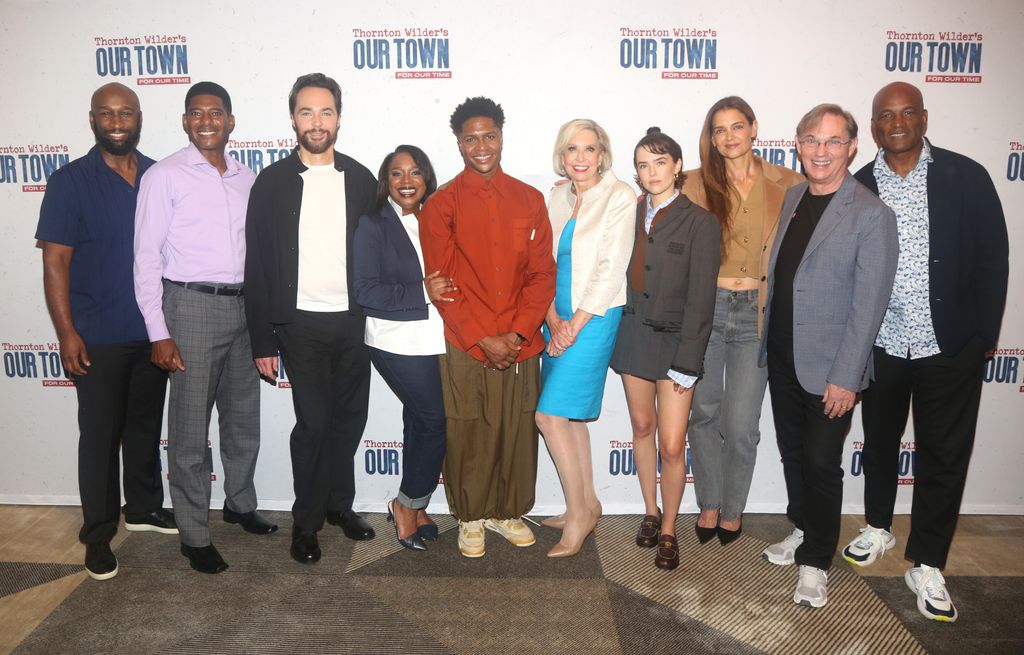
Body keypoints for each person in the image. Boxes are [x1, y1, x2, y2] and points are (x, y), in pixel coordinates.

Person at [840, 82, 1009, 622]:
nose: (896, 122)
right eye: (885, 115)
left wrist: (982, 335)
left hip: (949, 345)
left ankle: (929, 560)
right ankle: (878, 528)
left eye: (907, 112)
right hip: (883, 343)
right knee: (881, 443)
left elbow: (993, 259)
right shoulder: (858, 185)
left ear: (924, 118)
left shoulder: (967, 176)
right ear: (872, 127)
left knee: (944, 453)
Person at [36, 82, 177, 581]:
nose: (117, 122)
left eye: (126, 113)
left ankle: (141, 509)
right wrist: (66, 332)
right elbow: (56, 262)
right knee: (99, 438)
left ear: (139, 118)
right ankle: (97, 534)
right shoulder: (70, 180)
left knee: (143, 428)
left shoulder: (162, 175)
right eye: (106, 113)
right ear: (92, 119)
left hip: (153, 330)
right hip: (95, 332)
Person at [759, 104, 898, 608]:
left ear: (853, 147)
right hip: (783, 356)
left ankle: (817, 559)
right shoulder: (794, 196)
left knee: (821, 462)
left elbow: (870, 305)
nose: (821, 151)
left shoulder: (871, 214)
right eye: (812, 140)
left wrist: (847, 376)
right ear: (797, 144)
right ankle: (804, 527)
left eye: (834, 141)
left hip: (831, 368)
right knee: (794, 454)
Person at [134, 81, 276, 575]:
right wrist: (159, 331)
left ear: (231, 122)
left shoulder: (247, 178)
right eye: (197, 113)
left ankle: (239, 503)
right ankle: (194, 533)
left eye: (216, 113)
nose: (207, 121)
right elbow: (146, 258)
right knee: (191, 431)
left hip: (243, 308)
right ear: (185, 122)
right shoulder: (165, 176)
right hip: (189, 307)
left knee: (243, 419)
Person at [245, 73, 378, 565]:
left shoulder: (363, 179)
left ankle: (340, 506)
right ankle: (306, 521)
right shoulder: (272, 181)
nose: (316, 122)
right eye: (307, 112)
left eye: (325, 112)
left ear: (338, 118)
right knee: (314, 424)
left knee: (349, 421)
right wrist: (262, 338)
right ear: (293, 119)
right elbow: (256, 263)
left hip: (354, 323)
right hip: (298, 326)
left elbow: (390, 244)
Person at [420, 96, 555, 558]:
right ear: (459, 143)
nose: (482, 146)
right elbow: (441, 283)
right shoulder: (440, 205)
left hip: (521, 339)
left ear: (501, 136)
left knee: (517, 427)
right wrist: (482, 336)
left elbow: (542, 275)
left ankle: (508, 510)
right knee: (468, 426)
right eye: (471, 138)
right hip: (466, 339)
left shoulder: (529, 199)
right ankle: (471, 516)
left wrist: (517, 334)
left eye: (489, 136)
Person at [681, 97, 804, 545]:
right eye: (719, 129)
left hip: (758, 310)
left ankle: (733, 508)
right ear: (710, 137)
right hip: (707, 308)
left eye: (737, 126)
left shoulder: (790, 183)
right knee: (703, 412)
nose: (729, 137)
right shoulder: (692, 184)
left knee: (741, 424)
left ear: (754, 128)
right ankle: (709, 503)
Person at [610, 127, 720, 570]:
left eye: (660, 162)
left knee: (673, 445)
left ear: (677, 166)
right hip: (634, 336)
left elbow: (702, 300)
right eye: (642, 164)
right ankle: (650, 513)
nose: (651, 171)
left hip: (677, 345)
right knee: (641, 427)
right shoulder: (631, 213)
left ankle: (671, 527)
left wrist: (689, 361)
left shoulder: (701, 222)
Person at [535, 119, 635, 558]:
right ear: (562, 154)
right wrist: (552, 319)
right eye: (572, 149)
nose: (580, 157)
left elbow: (611, 269)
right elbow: (541, 261)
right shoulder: (556, 195)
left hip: (593, 316)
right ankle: (587, 502)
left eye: (589, 149)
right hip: (555, 314)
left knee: (549, 417)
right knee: (570, 417)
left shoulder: (620, 196)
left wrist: (572, 326)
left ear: (602, 154)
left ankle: (579, 515)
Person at [352, 145, 451, 551]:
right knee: (433, 421)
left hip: (436, 337)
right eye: (397, 173)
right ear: (386, 182)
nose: (407, 181)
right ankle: (405, 504)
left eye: (414, 172)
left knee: (417, 421)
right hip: (394, 339)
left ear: (427, 177)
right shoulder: (372, 224)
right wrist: (423, 291)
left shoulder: (438, 218)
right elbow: (365, 291)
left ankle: (419, 502)